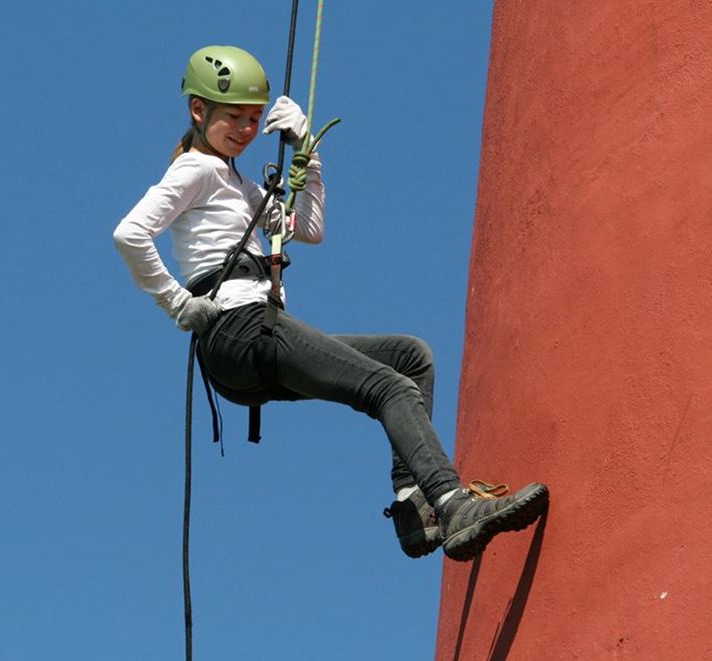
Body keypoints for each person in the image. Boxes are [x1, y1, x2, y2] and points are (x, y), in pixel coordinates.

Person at [113, 45, 548, 561]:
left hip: (251, 339)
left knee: (409, 358)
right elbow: (130, 233)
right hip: (239, 328)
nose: (246, 130)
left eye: (254, 119)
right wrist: (179, 304)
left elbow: (310, 230)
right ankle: (453, 505)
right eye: (234, 117)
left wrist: (307, 153)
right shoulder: (197, 171)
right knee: (387, 386)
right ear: (197, 110)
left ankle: (415, 510)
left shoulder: (240, 185)